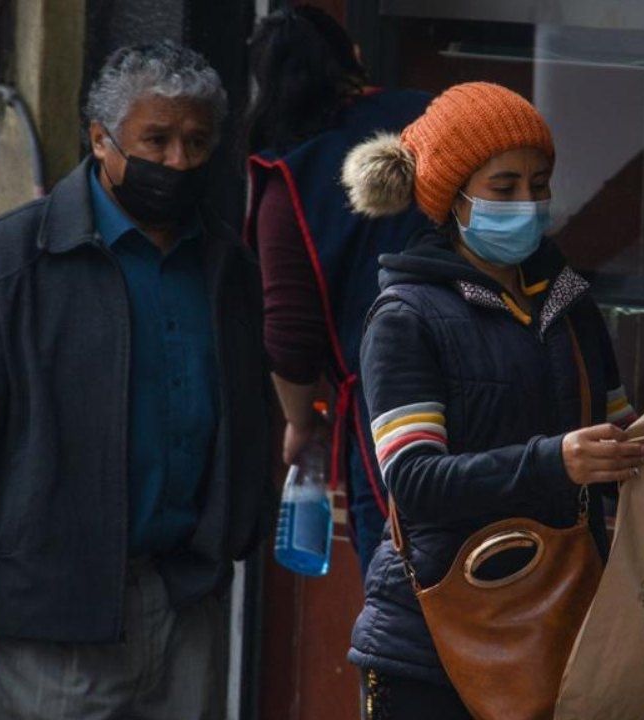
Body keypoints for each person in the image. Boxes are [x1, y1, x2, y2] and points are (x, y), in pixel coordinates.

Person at [0, 41, 274, 720]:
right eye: (155, 140)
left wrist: (234, 537)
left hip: (187, 602)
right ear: (101, 140)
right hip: (50, 621)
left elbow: (246, 417)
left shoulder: (228, 269)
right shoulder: (4, 264)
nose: (178, 162)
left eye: (196, 142)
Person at [341, 81, 644, 718]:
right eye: (504, 186)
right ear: (449, 197)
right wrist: (555, 462)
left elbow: (616, 446)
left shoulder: (570, 306)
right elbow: (412, 481)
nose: (529, 202)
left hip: (561, 626)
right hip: (429, 645)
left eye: (539, 183)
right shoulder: (405, 317)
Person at [244, 4, 431, 575]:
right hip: (493, 372)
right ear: (352, 57)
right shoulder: (428, 122)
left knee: (407, 600)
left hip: (389, 413)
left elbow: (290, 336)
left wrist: (302, 422)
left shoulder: (289, 181)